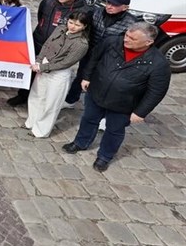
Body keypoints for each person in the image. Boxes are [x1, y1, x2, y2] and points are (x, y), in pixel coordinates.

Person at [62, 22, 171, 172]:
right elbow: (94, 58)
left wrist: (141, 112)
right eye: (126, 35)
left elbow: (156, 91)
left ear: (148, 42)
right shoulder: (112, 42)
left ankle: (104, 157)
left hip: (124, 104)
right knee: (88, 119)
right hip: (97, 92)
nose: (126, 39)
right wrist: (86, 77)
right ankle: (80, 143)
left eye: (132, 38)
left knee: (114, 131)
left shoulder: (158, 63)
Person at [7, 0, 89, 107]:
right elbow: (41, 18)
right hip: (39, 41)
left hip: (59, 50)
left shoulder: (82, 10)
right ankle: (23, 95)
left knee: (48, 77)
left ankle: (42, 102)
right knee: (32, 70)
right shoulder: (48, 2)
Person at [64, 0, 138, 107]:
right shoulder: (96, 12)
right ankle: (70, 100)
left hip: (109, 57)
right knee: (82, 75)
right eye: (108, 2)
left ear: (125, 8)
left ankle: (99, 108)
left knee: (103, 82)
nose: (109, 6)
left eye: (114, 5)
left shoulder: (131, 22)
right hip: (90, 52)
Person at [24, 11, 91, 138]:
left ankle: (41, 130)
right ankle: (31, 121)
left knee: (51, 103)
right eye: (71, 22)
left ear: (84, 26)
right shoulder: (60, 29)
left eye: (77, 25)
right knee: (36, 96)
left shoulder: (81, 44)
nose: (72, 26)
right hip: (43, 65)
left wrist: (42, 67)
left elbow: (66, 63)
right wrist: (39, 60)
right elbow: (47, 44)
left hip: (58, 73)